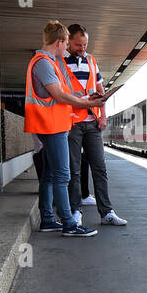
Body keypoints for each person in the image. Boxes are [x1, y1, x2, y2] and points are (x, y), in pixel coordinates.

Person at [24, 20, 105, 237]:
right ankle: (69, 223)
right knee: (63, 175)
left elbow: (62, 93)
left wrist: (87, 97)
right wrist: (89, 104)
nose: (67, 46)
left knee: (50, 175)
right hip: (51, 125)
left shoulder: (49, 61)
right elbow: (59, 96)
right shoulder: (43, 62)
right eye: (67, 42)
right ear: (60, 42)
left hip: (53, 124)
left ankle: (48, 220)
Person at [63, 24, 127, 226]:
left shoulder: (91, 60)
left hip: (92, 122)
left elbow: (100, 90)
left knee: (99, 167)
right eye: (78, 44)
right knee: (73, 169)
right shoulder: (59, 61)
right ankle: (75, 212)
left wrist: (103, 116)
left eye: (85, 44)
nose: (82, 48)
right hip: (71, 122)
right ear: (68, 41)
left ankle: (106, 213)